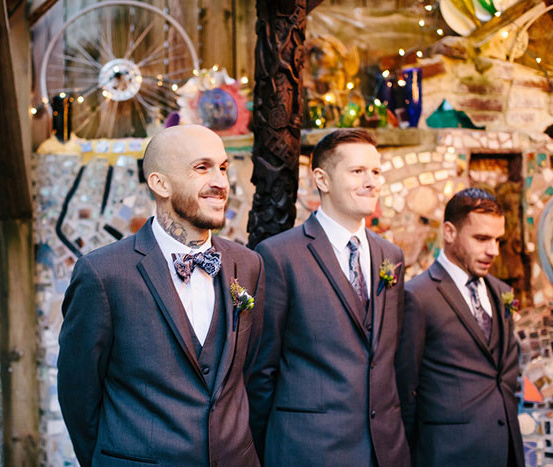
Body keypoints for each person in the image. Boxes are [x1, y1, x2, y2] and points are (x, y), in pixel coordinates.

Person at [58, 124, 265, 466]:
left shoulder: (249, 265)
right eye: (202, 168)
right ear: (160, 183)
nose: (221, 182)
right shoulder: (103, 274)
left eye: (223, 168)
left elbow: (253, 373)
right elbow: (77, 394)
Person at [248, 129, 410, 466]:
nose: (371, 182)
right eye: (357, 172)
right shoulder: (279, 256)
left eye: (376, 172)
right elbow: (261, 371)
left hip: (385, 451)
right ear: (321, 178)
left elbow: (389, 359)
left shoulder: (390, 256)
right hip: (309, 450)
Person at [395, 188, 524, 467]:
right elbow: (404, 390)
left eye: (497, 240)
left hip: (506, 452)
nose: (493, 250)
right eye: (481, 238)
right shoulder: (418, 296)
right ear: (450, 232)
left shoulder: (502, 291)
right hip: (448, 455)